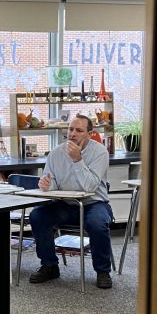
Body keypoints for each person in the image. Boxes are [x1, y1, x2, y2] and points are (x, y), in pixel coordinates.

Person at [28, 113, 115, 289]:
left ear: (90, 134)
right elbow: (51, 182)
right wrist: (46, 184)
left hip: (94, 203)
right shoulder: (55, 153)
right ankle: (50, 265)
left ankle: (102, 271)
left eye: (79, 130)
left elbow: (89, 187)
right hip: (65, 204)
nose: (73, 133)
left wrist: (77, 159)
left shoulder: (99, 152)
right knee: (37, 216)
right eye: (71, 129)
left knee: (97, 224)